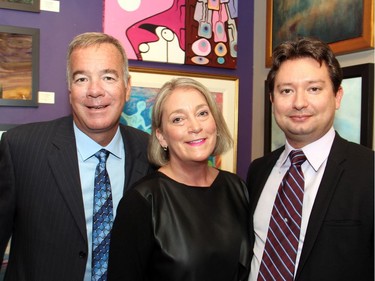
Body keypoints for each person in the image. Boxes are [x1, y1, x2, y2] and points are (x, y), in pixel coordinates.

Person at [0, 32, 155, 281]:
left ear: (127, 87)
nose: (95, 91)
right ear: (70, 90)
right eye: (82, 78)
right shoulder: (20, 148)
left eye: (108, 77)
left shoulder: (152, 153)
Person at [247, 37, 374, 281]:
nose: (299, 103)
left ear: (337, 96)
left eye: (313, 89)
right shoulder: (258, 171)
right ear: (272, 99)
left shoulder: (369, 172)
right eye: (286, 91)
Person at [107, 77, 251, 281]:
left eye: (202, 113)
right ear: (162, 136)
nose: (194, 126)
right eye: (178, 119)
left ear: (215, 123)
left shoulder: (237, 188)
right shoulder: (141, 202)